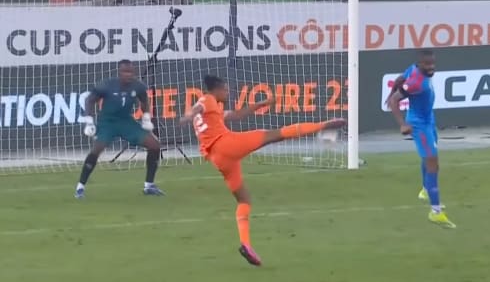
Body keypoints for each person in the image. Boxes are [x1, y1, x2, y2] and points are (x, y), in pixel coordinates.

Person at [180, 75, 346, 266]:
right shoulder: (206, 100)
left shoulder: (213, 107)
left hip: (219, 159)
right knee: (275, 135)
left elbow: (237, 115)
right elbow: (197, 108)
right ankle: (324, 125)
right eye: (225, 89)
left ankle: (245, 244)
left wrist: (263, 103)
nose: (227, 92)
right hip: (225, 145)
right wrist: (187, 116)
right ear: (215, 89)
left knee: (244, 200)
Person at [387, 50, 455, 229]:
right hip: (419, 125)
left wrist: (393, 90)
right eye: (427, 64)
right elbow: (395, 101)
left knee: (432, 159)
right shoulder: (417, 83)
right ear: (420, 63)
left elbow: (400, 78)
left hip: (428, 119)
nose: (431, 67)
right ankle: (436, 212)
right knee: (433, 162)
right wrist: (402, 124)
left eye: (433, 64)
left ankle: (426, 190)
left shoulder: (414, 70)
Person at [76, 60, 164, 198]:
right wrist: (89, 122)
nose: (128, 75)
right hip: (107, 122)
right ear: (119, 72)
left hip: (126, 122)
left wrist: (146, 118)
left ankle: (149, 186)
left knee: (154, 145)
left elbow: (145, 101)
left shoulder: (138, 86)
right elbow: (90, 100)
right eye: (125, 72)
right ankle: (80, 187)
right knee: (97, 149)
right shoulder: (107, 85)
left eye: (130, 72)